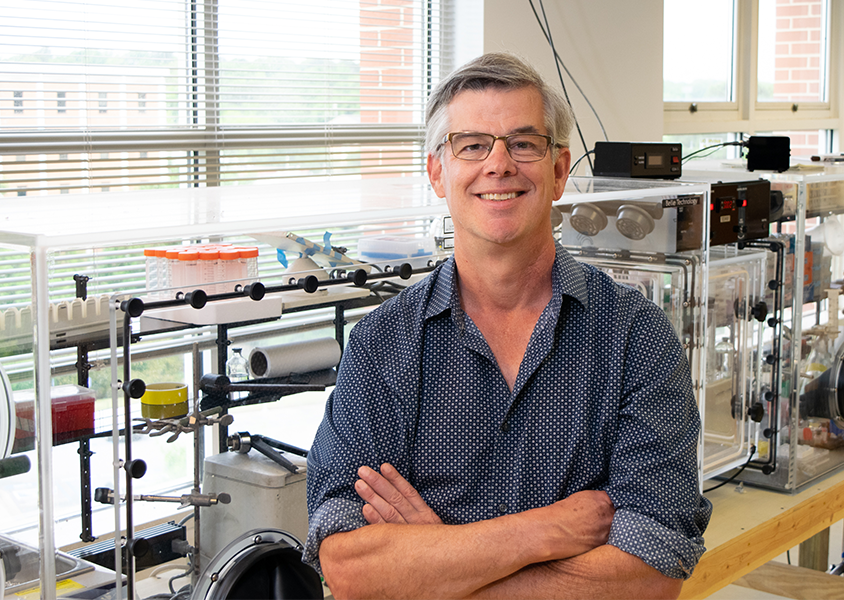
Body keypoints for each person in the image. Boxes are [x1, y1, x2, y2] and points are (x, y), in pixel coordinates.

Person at [304, 52, 711, 599]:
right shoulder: (382, 346)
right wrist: (544, 531)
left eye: (523, 143)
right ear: (437, 172)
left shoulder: (635, 336)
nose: (499, 165)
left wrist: (438, 567)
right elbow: (351, 568)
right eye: (472, 145)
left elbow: (653, 573)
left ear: (560, 170)